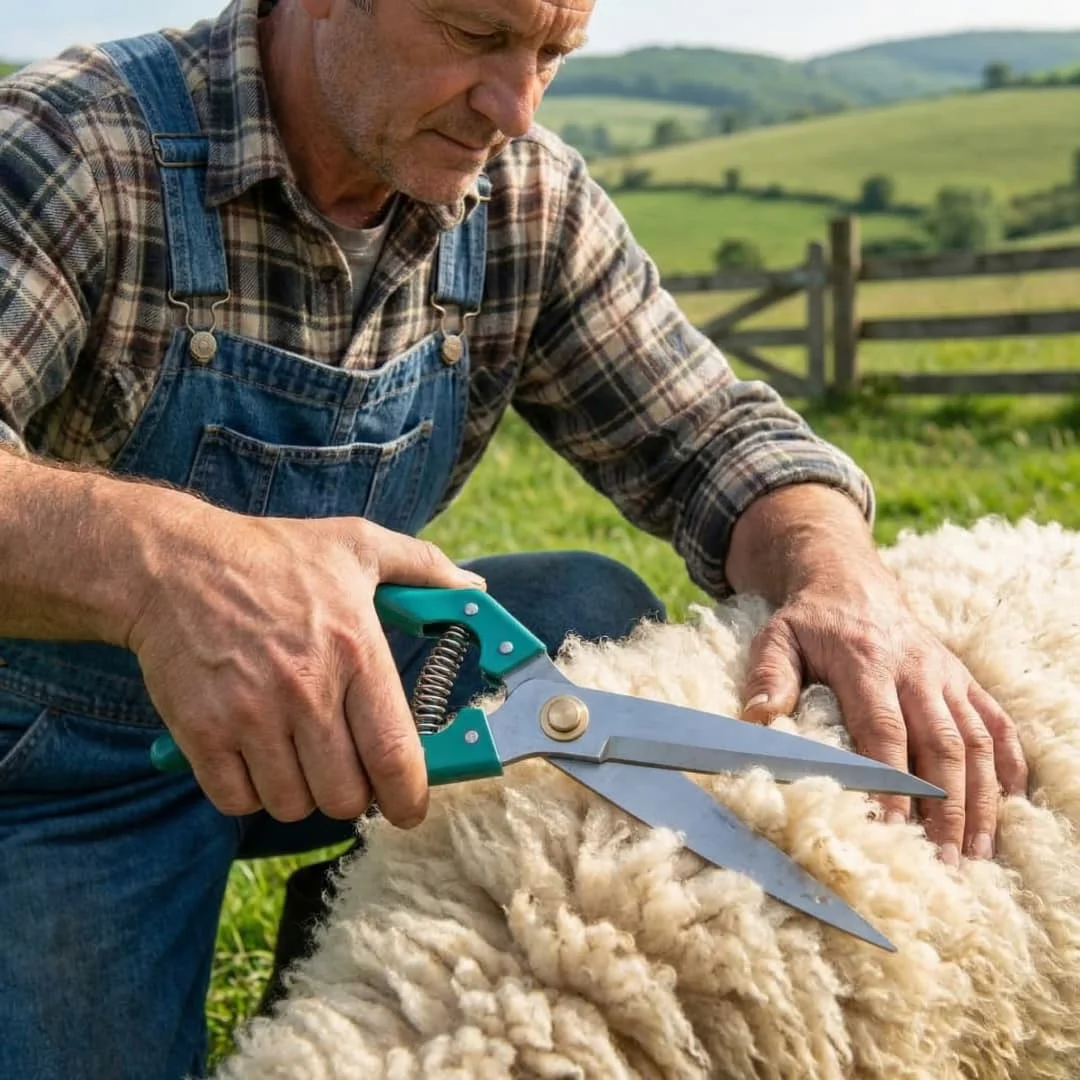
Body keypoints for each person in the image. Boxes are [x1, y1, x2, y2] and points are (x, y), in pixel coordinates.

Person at [0, 0, 1028, 1076]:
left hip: (348, 713)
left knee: (580, 615)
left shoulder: (521, 193)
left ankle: (363, 970)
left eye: (550, 53)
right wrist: (171, 569)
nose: (516, 105)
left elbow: (711, 434)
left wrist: (835, 570)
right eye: (474, 33)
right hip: (55, 766)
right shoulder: (74, 149)